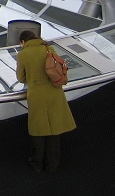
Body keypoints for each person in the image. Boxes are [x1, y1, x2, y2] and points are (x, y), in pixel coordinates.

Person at [16, 30, 76, 173]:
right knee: (54, 130)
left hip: (37, 95)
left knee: (38, 130)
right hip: (54, 93)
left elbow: (20, 78)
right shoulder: (49, 48)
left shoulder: (23, 54)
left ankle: (36, 164)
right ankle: (52, 165)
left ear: (23, 42)